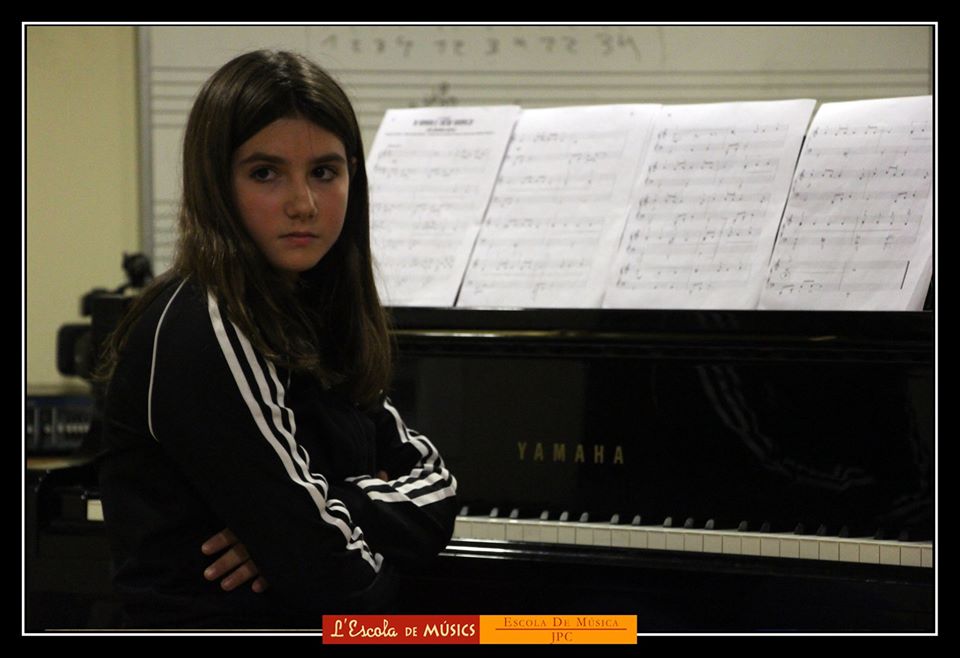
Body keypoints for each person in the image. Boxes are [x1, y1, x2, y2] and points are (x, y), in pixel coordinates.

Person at [97, 50, 458, 630]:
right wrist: (324, 531)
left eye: (324, 172)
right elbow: (342, 583)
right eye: (265, 173)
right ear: (217, 183)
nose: (303, 204)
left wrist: (331, 507)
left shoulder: (316, 308)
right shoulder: (208, 325)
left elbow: (438, 487)